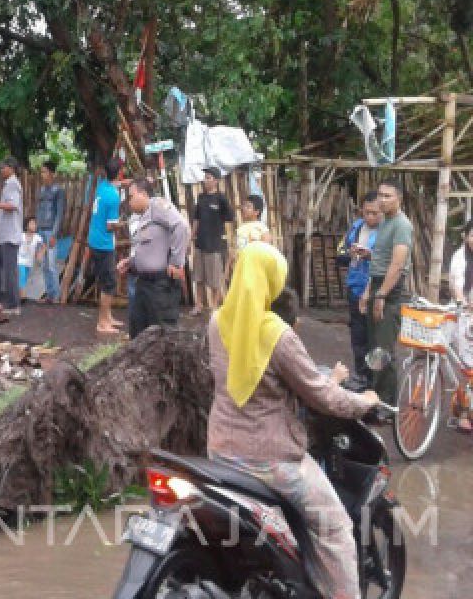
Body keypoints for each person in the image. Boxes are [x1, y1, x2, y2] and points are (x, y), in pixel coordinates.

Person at [207, 243, 379, 599]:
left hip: (221, 453)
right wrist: (363, 402)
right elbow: (324, 396)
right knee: (334, 528)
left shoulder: (217, 321)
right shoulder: (278, 336)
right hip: (271, 462)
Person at [359, 180, 413, 412]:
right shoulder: (384, 222)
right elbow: (381, 260)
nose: (382, 200)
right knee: (373, 347)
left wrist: (381, 295)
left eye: (387, 196)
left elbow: (398, 264)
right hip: (378, 284)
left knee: (383, 348)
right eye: (380, 195)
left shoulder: (402, 224)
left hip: (390, 290)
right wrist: (368, 291)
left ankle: (387, 404)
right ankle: (375, 397)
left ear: (398, 198)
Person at [116, 178, 189, 338]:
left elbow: (181, 227)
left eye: (131, 196)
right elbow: (149, 248)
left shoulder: (157, 206)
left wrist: (176, 262)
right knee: (138, 331)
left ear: (143, 194)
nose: (129, 201)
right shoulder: (144, 215)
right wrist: (131, 262)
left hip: (160, 285)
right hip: (144, 283)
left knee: (162, 335)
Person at [336, 192, 381, 387]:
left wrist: (371, 255)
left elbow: (393, 262)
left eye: (374, 213)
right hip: (355, 288)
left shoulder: (387, 232)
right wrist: (351, 253)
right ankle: (361, 378)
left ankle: (376, 381)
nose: (370, 217)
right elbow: (340, 256)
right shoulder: (355, 228)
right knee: (358, 337)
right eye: (366, 212)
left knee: (376, 339)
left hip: (376, 292)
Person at [191, 167, 233, 316]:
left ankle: (214, 306)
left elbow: (229, 217)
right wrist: (192, 235)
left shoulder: (221, 198)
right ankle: (198, 305)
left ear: (216, 180)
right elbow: (196, 218)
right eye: (205, 177)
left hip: (214, 244)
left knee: (215, 279)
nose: (205, 180)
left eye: (209, 177)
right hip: (200, 243)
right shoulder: (201, 197)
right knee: (198, 277)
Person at [88, 159, 124, 332]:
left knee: (104, 281)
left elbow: (115, 182)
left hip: (94, 240)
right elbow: (111, 225)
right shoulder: (113, 196)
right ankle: (102, 323)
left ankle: (108, 317)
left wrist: (125, 182)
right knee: (109, 284)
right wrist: (123, 224)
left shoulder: (101, 187)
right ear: (118, 173)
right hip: (104, 243)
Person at [0, 157, 24, 314]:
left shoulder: (13, 184)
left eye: (4, 168)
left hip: (10, 235)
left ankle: (14, 305)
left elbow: (12, 205)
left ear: (12, 168)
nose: (1, 170)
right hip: (2, 235)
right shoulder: (8, 184)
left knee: (10, 271)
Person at [447, 220, 473, 432]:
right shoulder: (459, 257)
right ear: (465, 236)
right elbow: (455, 284)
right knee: (467, 367)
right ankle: (463, 413)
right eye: (472, 235)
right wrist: (462, 302)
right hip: (465, 317)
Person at [36, 161, 67, 303]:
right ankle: (49, 294)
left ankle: (56, 296)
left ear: (52, 173)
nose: (42, 175)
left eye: (44, 172)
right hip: (41, 230)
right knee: (44, 264)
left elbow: (60, 214)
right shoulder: (41, 190)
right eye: (41, 172)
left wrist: (54, 234)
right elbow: (39, 211)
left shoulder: (58, 190)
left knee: (52, 264)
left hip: (50, 231)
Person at [17, 216, 45, 292]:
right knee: (22, 275)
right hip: (19, 260)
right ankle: (22, 294)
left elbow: (43, 247)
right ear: (26, 226)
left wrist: (40, 254)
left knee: (25, 278)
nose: (34, 225)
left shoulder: (38, 237)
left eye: (35, 224)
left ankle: (19, 294)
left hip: (29, 261)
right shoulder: (21, 235)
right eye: (32, 223)